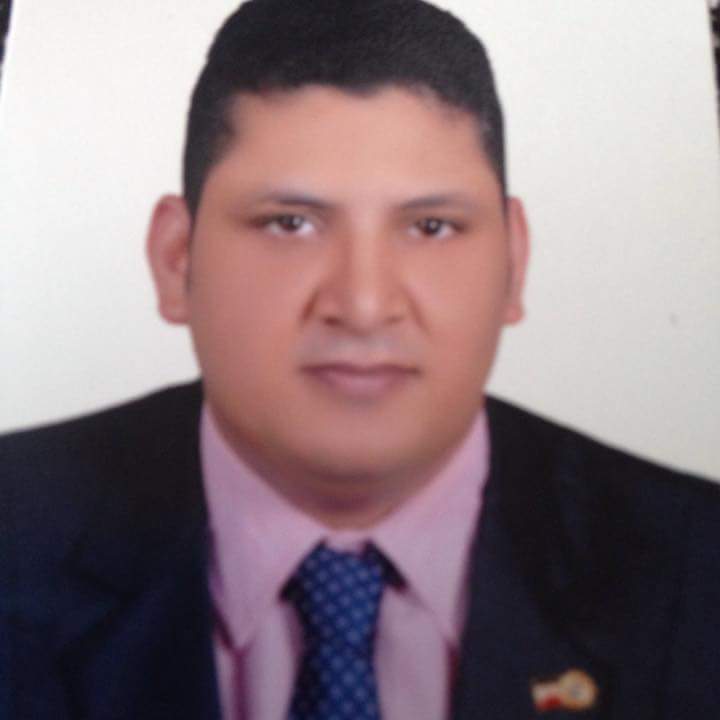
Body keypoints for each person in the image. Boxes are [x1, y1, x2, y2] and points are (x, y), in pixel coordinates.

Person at [2, 0, 719, 718]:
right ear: (176, 259)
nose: (364, 304)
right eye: (290, 224)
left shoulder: (697, 569)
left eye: (431, 227)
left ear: (514, 261)